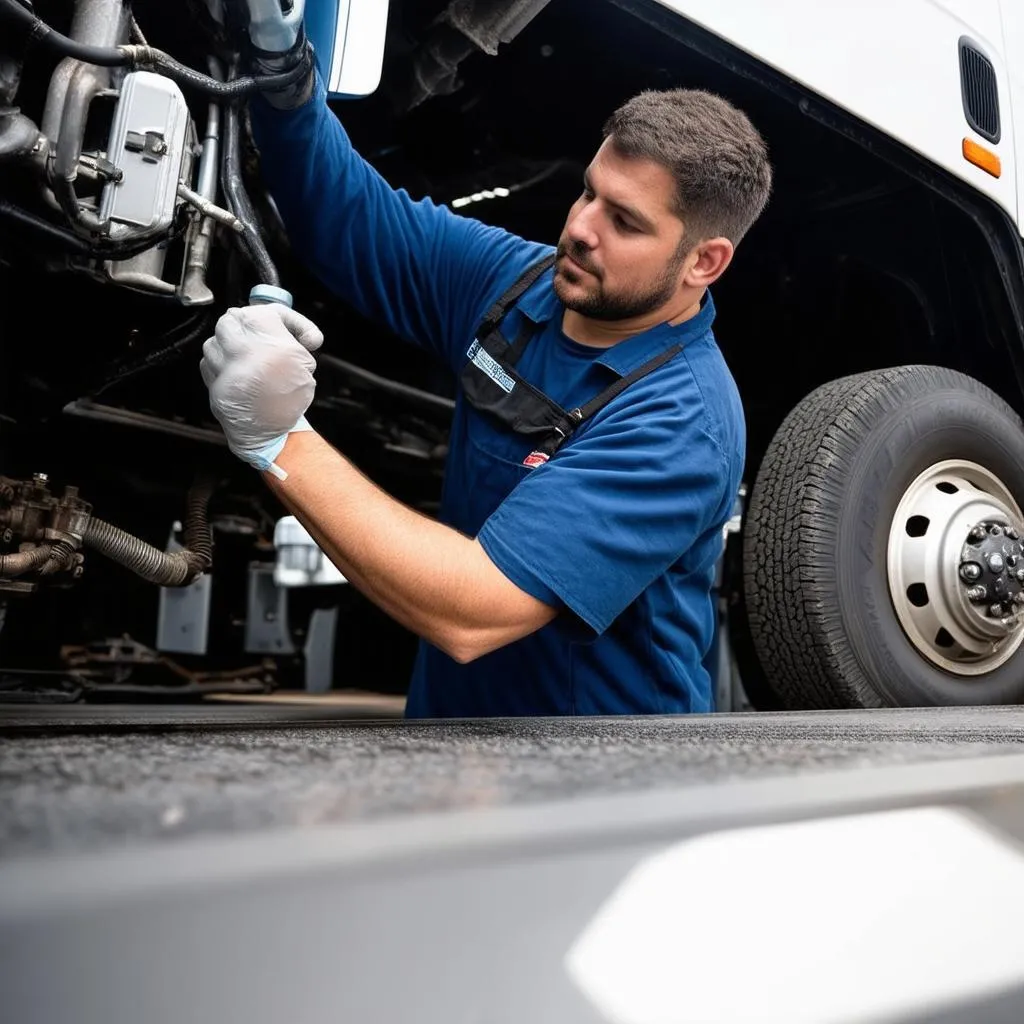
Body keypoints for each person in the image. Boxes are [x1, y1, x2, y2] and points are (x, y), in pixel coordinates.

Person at [200, 29, 773, 718]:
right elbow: (351, 218)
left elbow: (473, 610)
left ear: (704, 263)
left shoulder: (683, 419)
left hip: (604, 787)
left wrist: (279, 439)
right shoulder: (516, 284)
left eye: (624, 221)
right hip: (453, 742)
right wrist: (288, 84)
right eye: (588, 193)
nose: (582, 228)